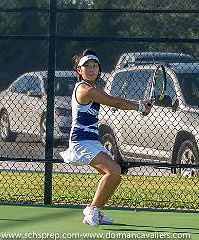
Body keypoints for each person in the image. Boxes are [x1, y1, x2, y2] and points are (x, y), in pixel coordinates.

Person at [60, 49, 152, 227]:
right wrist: (140, 106)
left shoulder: (93, 89)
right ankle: (93, 210)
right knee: (113, 171)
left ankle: (94, 210)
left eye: (95, 66)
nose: (92, 69)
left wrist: (138, 105)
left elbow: (114, 101)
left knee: (114, 175)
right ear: (79, 71)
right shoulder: (85, 89)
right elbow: (116, 101)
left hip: (91, 141)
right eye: (87, 66)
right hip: (81, 142)